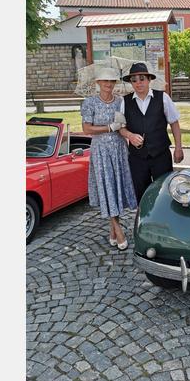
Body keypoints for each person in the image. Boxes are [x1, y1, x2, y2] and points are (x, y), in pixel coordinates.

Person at [80, 67, 138, 250]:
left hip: (119, 150)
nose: (108, 84)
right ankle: (118, 230)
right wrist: (109, 127)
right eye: (105, 81)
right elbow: (87, 129)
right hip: (101, 151)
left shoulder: (120, 101)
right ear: (98, 82)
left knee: (116, 188)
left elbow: (122, 124)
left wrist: (121, 127)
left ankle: (112, 231)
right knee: (107, 189)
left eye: (112, 81)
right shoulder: (89, 103)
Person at [118, 62, 184, 201]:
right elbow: (120, 127)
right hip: (137, 158)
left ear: (149, 80)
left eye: (142, 78)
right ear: (131, 83)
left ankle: (165, 220)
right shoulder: (124, 101)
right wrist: (130, 135)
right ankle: (144, 221)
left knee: (165, 191)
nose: (138, 83)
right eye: (134, 80)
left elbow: (174, 123)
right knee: (141, 193)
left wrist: (178, 148)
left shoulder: (163, 98)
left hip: (161, 155)